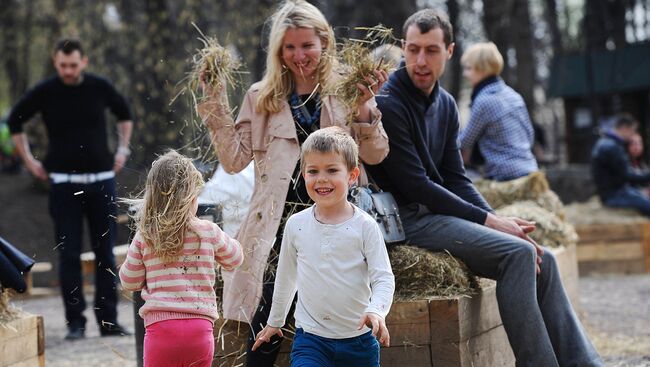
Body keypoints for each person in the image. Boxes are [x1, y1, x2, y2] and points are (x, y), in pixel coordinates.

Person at [366, 9, 603, 366]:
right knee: (517, 254)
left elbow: (457, 177)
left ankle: (585, 364)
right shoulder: (390, 103)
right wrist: (493, 224)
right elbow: (417, 186)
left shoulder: (445, 104)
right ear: (403, 47)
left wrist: (497, 219)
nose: (420, 60)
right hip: (409, 220)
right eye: (413, 49)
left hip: (438, 214)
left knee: (543, 257)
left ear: (449, 51)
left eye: (431, 50)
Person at [197, 1, 389, 365]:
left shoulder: (348, 88)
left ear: (324, 43)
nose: (300, 56)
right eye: (290, 47)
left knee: (314, 300)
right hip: (278, 222)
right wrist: (215, 104)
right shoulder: (261, 97)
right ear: (279, 51)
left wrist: (365, 108)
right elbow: (234, 160)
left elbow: (377, 155)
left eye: (307, 45)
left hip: (339, 218)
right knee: (272, 299)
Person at [7, 39, 134, 340]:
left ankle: (109, 322)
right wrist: (28, 161)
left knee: (105, 253)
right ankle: (74, 323)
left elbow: (125, 113)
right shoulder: (46, 91)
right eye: (63, 65)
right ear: (56, 63)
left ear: (84, 62)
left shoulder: (99, 87)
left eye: (73, 65)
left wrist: (122, 152)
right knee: (69, 254)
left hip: (102, 180)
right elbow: (15, 120)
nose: (68, 71)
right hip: (63, 184)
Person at [252, 127, 394, 367]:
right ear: (303, 175)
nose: (322, 179)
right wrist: (275, 321)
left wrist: (377, 311)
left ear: (352, 175)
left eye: (332, 170)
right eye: (313, 171)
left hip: (358, 341)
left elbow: (383, 278)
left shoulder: (365, 226)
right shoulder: (296, 225)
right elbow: (287, 278)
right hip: (311, 340)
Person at [118, 150, 244, 367]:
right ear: (191, 198)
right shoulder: (207, 231)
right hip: (199, 331)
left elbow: (129, 281)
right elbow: (235, 258)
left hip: (160, 333)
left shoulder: (145, 235)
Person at [459, 42, 538, 181]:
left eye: (468, 68)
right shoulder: (514, 95)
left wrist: (441, 141)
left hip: (504, 175)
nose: (465, 74)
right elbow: (530, 136)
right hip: (530, 170)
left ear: (482, 68)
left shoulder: (484, 100)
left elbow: (465, 141)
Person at [592, 114, 650, 215]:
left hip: (613, 192)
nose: (632, 135)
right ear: (624, 128)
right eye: (632, 131)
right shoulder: (612, 147)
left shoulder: (607, 143)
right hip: (614, 195)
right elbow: (627, 175)